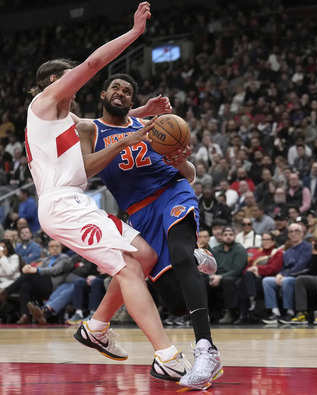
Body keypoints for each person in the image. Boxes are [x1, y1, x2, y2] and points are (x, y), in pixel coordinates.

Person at [24, 3, 193, 386]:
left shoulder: (67, 120)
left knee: (145, 255)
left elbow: (109, 121)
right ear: (51, 83)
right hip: (60, 204)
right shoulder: (44, 105)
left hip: (73, 202)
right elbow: (96, 63)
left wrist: (141, 110)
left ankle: (96, 327)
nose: (75, 82)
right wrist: (134, 33)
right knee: (131, 267)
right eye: (66, 78)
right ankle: (166, 355)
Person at [76, 72, 222, 387]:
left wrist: (181, 160)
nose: (121, 92)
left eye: (128, 91)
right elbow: (86, 169)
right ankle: (194, 257)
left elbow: (190, 174)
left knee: (180, 255)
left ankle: (206, 349)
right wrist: (126, 140)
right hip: (140, 213)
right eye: (115, 87)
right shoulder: (90, 128)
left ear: (132, 101)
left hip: (172, 192)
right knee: (173, 301)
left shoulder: (153, 128)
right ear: (103, 94)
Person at [0, 239, 73, 324]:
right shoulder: (46, 259)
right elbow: (34, 264)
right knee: (25, 285)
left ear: (61, 248)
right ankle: (25, 315)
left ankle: (5, 291)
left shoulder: (64, 258)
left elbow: (55, 270)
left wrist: (36, 270)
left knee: (30, 275)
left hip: (52, 286)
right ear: (48, 249)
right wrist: (27, 267)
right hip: (42, 285)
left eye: (57, 246)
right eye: (52, 246)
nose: (54, 248)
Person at [262, 223, 312, 324]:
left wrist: (284, 275)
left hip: (301, 277)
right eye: (291, 232)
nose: (294, 234)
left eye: (297, 231)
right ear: (288, 235)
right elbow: (285, 267)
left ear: (302, 233)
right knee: (267, 281)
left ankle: (290, 312)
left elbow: (301, 265)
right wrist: (280, 274)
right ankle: (275, 312)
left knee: (287, 281)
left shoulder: (307, 247)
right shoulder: (288, 251)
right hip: (287, 276)